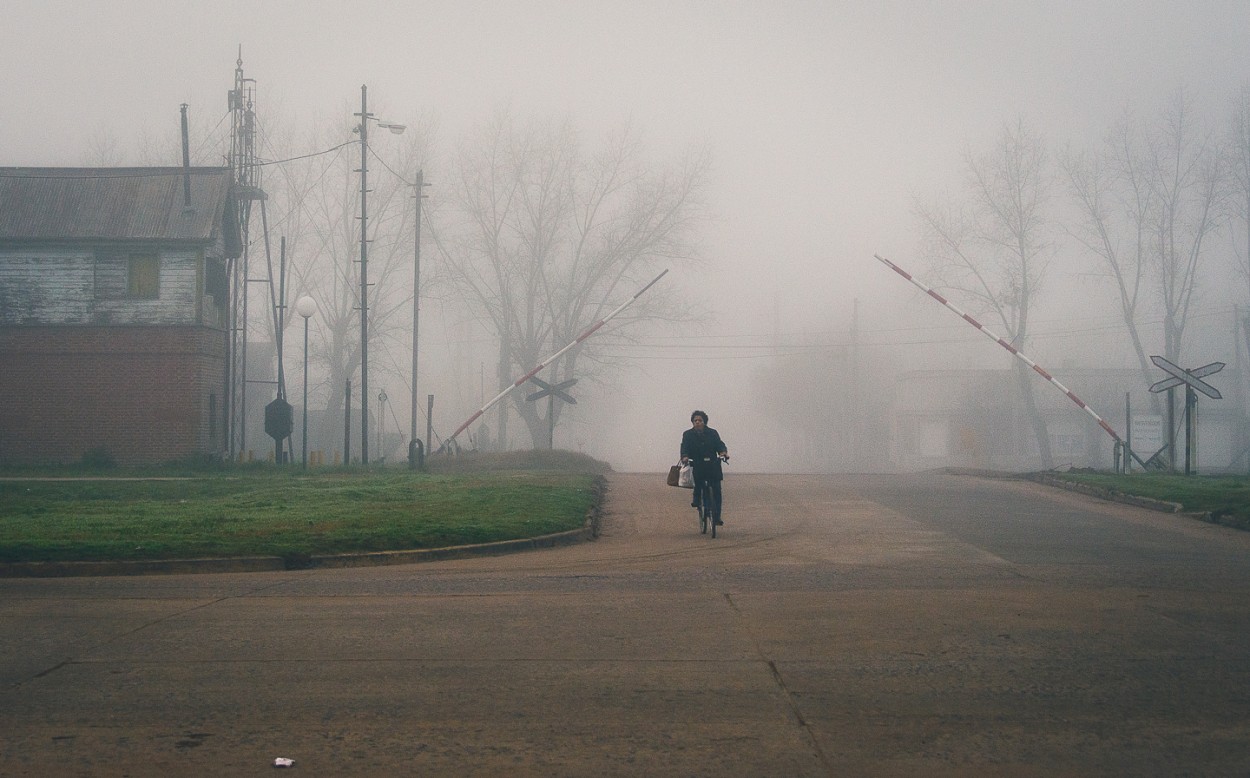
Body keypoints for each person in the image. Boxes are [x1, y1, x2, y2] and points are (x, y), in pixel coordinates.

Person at [680, 410, 728, 525]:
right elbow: (684, 447)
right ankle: (697, 499)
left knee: (716, 491)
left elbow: (720, 444)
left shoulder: (713, 433)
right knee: (699, 483)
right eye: (695, 420)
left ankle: (716, 517)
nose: (697, 422)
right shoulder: (687, 434)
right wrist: (685, 456)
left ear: (704, 422)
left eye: (700, 420)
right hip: (697, 464)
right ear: (692, 422)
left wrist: (723, 453)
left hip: (713, 465)